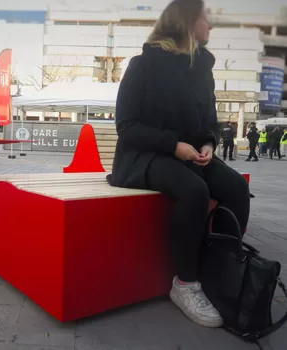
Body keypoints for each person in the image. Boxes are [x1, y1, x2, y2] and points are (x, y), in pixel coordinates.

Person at [107, 0, 250, 328]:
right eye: (205, 18)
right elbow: (126, 126)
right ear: (186, 22)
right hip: (145, 156)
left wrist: (209, 144)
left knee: (236, 187)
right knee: (194, 190)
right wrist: (174, 146)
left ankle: (220, 271)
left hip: (191, 155)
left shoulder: (202, 69)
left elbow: (210, 122)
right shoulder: (143, 66)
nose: (210, 25)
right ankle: (185, 283)